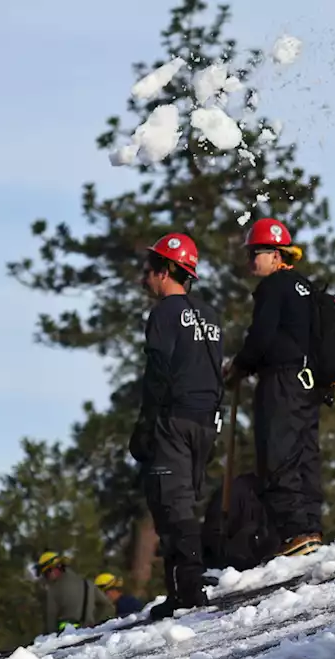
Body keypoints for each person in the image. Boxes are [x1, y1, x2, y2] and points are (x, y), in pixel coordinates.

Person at [129, 232, 225, 619]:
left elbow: (158, 373)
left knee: (172, 503)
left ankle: (188, 590)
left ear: (167, 270)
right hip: (206, 422)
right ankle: (185, 585)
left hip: (175, 420)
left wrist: (145, 425)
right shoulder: (211, 316)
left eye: (148, 271)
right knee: (183, 500)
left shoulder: (164, 314)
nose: (143, 279)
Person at [223, 218, 324, 558]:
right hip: (308, 382)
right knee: (305, 452)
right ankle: (310, 525)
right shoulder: (304, 287)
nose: (252, 259)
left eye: (258, 252)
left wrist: (240, 365)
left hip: (281, 380)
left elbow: (261, 337)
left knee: (278, 452)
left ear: (277, 254)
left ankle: (294, 531)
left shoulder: (273, 286)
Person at [35, 552, 111, 632]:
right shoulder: (88, 584)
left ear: (54, 569)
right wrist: (93, 620)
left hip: (67, 637)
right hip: (90, 632)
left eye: (46, 573)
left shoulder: (54, 590)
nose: (46, 577)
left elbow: (51, 621)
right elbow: (105, 604)